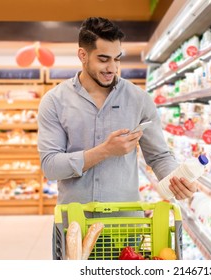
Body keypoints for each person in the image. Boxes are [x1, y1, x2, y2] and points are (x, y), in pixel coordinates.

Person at [37, 17, 197, 210]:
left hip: (124, 223)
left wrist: (177, 179)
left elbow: (159, 156)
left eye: (117, 59)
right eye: (103, 59)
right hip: (74, 223)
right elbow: (51, 166)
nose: (112, 68)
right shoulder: (55, 101)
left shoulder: (139, 99)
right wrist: (105, 150)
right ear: (82, 55)